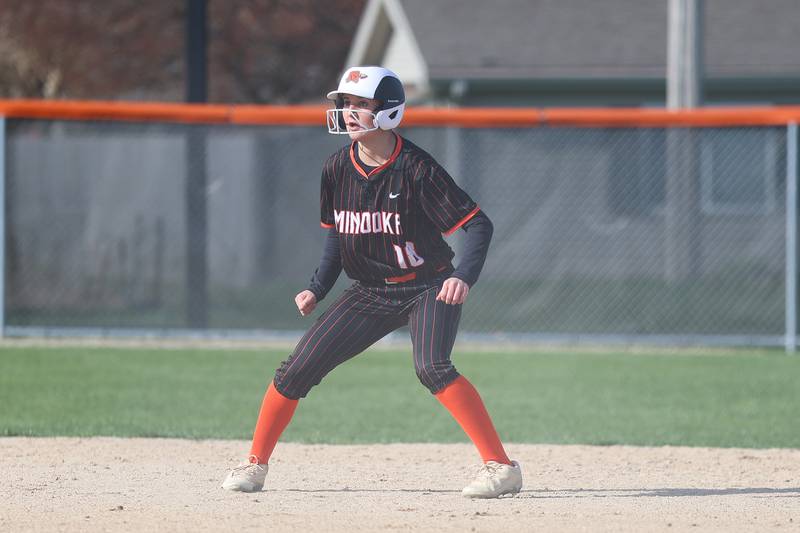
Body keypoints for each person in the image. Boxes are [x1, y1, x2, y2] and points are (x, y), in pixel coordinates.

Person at [222, 66, 522, 498]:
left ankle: (501, 467)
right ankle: (254, 465)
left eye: (361, 104)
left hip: (428, 286)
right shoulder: (336, 168)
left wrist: (463, 276)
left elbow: (478, 225)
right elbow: (338, 234)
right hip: (369, 290)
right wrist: (317, 287)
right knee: (296, 369)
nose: (348, 112)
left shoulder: (417, 169)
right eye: (345, 103)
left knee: (432, 367)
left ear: (390, 112)